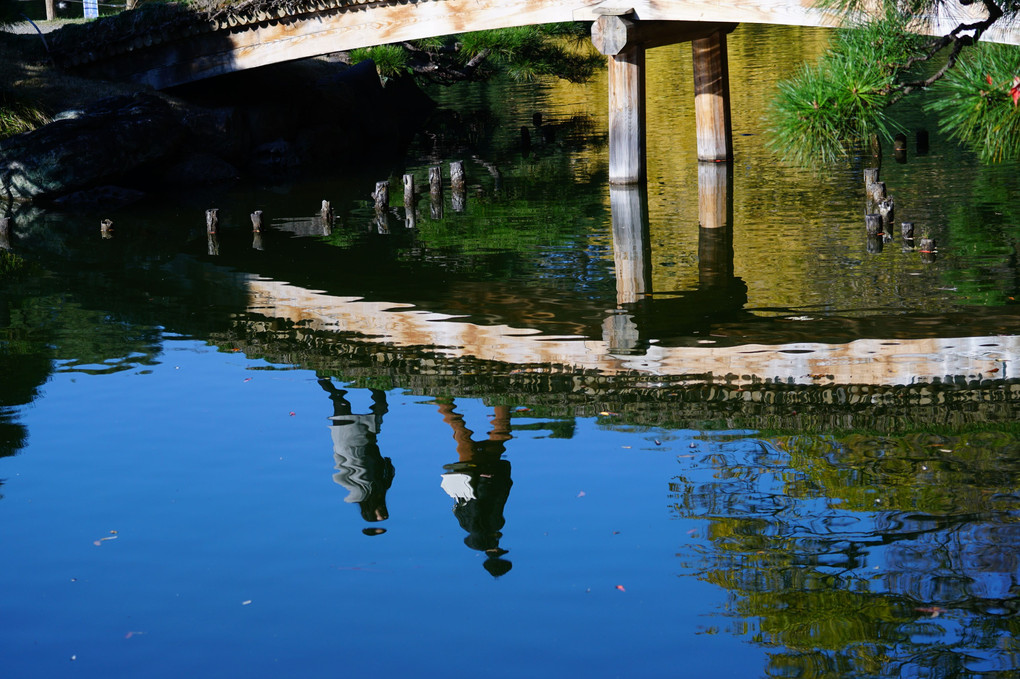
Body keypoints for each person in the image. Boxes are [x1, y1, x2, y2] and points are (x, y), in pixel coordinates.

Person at [437, 399, 514, 577]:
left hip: (484, 472)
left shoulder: (493, 525)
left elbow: (495, 498)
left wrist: (489, 479)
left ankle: (502, 395)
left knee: (501, 431)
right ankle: (443, 401)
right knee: (460, 431)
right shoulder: (467, 529)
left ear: (496, 552)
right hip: (466, 474)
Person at [319, 378, 394, 525]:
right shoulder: (381, 488)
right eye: (384, 513)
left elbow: (341, 473)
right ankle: (375, 377)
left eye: (380, 514)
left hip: (348, 442)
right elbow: (388, 465)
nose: (384, 512)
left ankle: (322, 377)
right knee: (381, 406)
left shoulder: (358, 492)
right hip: (368, 439)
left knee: (340, 401)